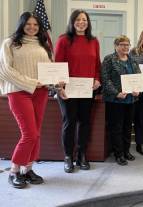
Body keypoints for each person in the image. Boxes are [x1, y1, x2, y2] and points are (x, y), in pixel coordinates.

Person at [0, 12, 52, 188]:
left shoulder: (43, 44)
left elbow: (50, 69)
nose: (32, 27)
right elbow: (5, 71)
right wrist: (31, 83)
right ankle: (14, 171)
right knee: (29, 133)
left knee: (36, 133)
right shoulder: (10, 43)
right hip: (18, 92)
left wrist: (57, 81)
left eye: (36, 25)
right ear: (21, 24)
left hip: (41, 92)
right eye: (28, 24)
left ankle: (27, 169)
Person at [55, 9, 101, 173]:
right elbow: (58, 65)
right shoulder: (64, 40)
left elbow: (97, 65)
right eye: (78, 19)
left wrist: (97, 79)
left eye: (84, 20)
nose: (82, 22)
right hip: (68, 89)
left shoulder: (94, 41)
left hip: (87, 90)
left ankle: (82, 154)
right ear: (72, 22)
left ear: (88, 23)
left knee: (85, 122)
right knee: (69, 122)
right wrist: (60, 87)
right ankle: (68, 156)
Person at [101, 35, 140, 166]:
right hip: (115, 100)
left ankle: (126, 151)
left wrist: (138, 89)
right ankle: (118, 154)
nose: (125, 47)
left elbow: (138, 77)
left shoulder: (132, 60)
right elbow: (105, 80)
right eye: (122, 44)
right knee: (116, 128)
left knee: (128, 127)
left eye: (127, 44)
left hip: (130, 100)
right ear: (116, 46)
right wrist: (116, 93)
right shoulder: (109, 59)